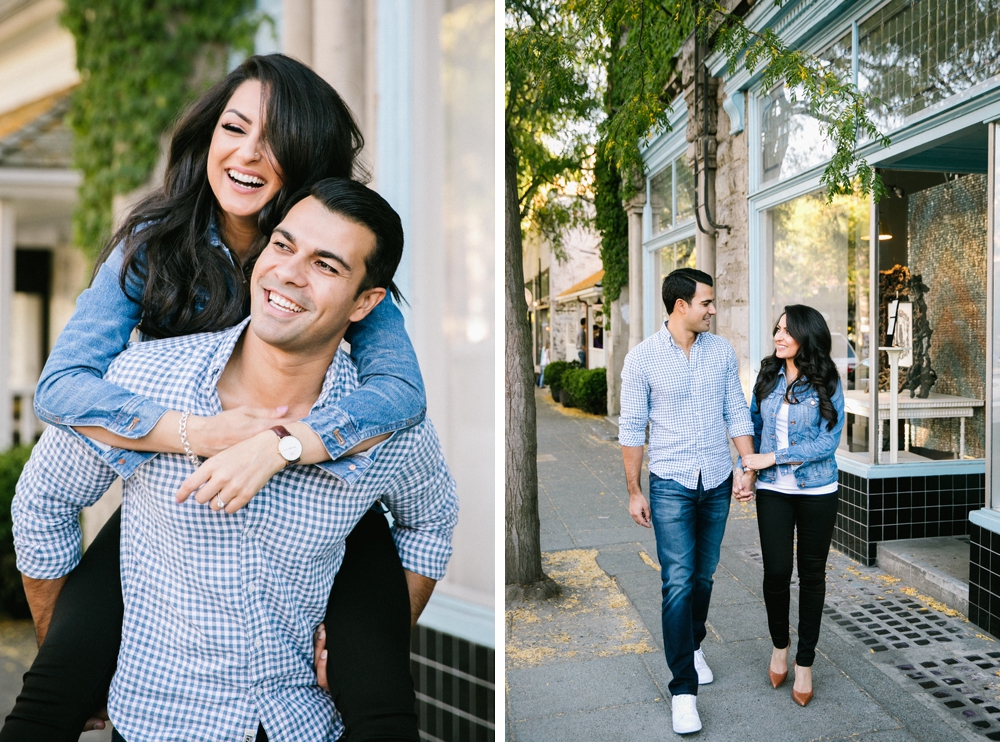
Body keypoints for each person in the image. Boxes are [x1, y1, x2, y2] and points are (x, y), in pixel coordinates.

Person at [2, 55, 425, 742]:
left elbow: (402, 395)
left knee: (379, 700)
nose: (248, 153)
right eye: (235, 127)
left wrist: (282, 446)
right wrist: (195, 433)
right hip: (181, 496)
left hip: (319, 499)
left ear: (308, 161)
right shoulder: (154, 245)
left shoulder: (327, 253)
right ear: (210, 134)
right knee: (56, 688)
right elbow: (62, 387)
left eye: (277, 142)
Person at [619, 267, 755, 735]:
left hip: (716, 478)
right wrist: (635, 490)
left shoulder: (720, 352)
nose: (713, 310)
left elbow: (735, 410)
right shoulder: (642, 359)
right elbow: (632, 428)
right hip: (671, 482)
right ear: (681, 306)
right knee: (676, 581)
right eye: (706, 303)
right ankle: (683, 690)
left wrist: (748, 465)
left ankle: (693, 643)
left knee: (704, 574)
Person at [739, 305, 845, 708]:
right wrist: (746, 469)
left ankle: (805, 662)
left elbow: (827, 443)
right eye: (777, 330)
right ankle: (780, 646)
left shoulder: (827, 380)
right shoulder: (768, 375)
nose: (778, 337)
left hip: (817, 489)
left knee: (812, 574)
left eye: (787, 331)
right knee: (777, 570)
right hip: (773, 491)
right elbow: (753, 427)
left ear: (807, 336)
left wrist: (773, 458)